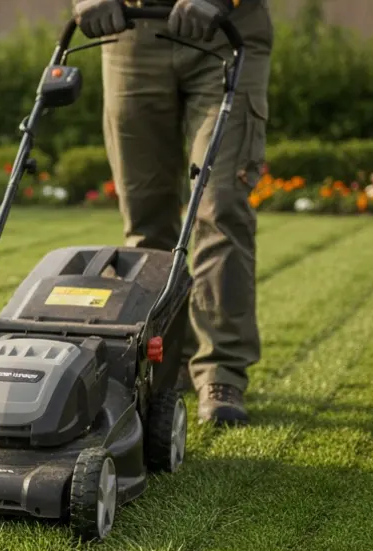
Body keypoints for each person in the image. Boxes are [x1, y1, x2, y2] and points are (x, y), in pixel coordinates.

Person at [72, 0, 272, 427]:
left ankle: (221, 372)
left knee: (220, 208)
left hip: (224, 32)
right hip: (130, 34)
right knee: (146, 223)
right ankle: (163, 364)